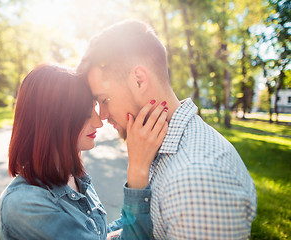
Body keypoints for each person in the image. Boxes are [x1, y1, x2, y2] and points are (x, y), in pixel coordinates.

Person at [77, 20, 257, 239]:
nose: (102, 115)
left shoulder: (196, 179)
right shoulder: (160, 148)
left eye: (104, 99)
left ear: (139, 80)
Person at [0, 63, 169, 240]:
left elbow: (97, 235)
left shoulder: (73, 177)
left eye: (94, 108)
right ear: (53, 121)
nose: (98, 122)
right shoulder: (25, 204)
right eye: (86, 115)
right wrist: (138, 169)